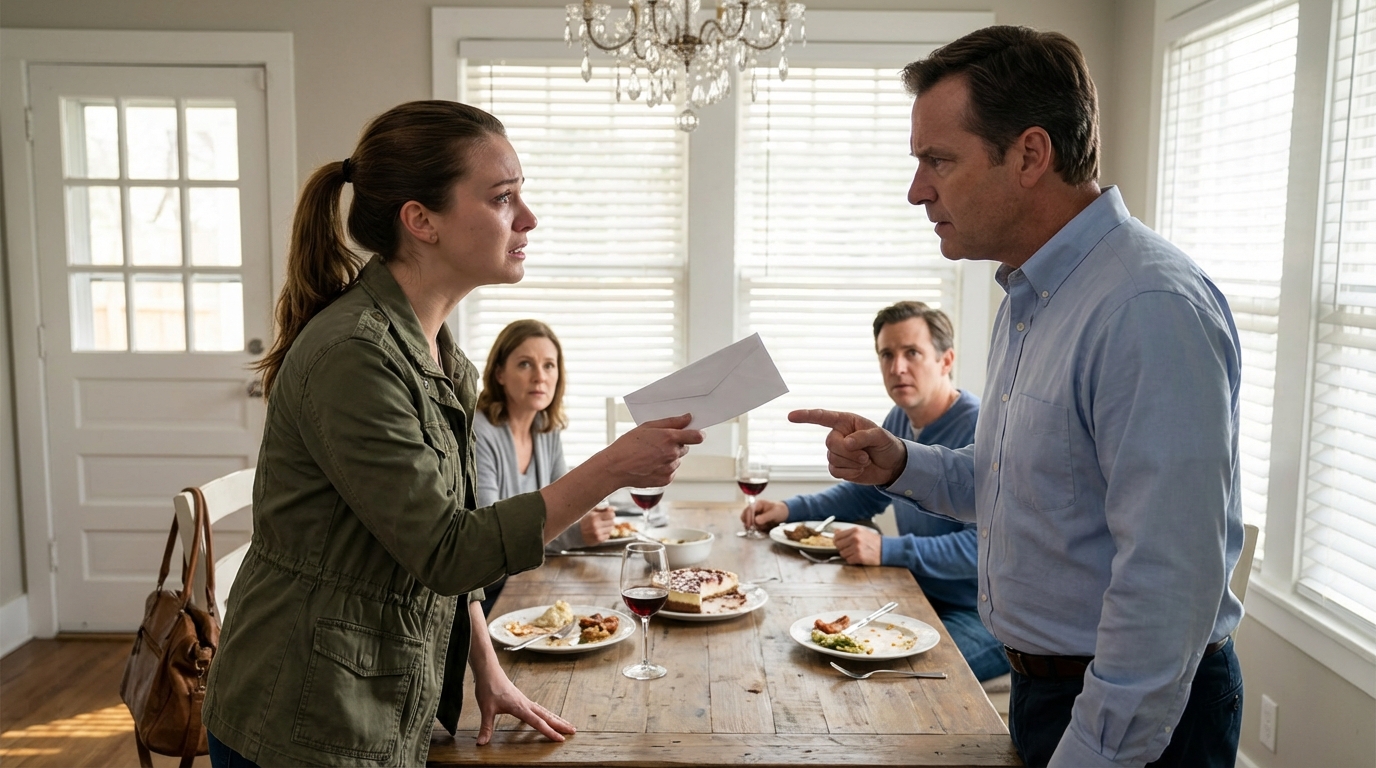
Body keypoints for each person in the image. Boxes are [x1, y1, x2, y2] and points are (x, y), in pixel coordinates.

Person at [792, 27, 1245, 768]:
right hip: (1051, 691)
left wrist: (1093, 752)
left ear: (1031, 155)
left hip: (1131, 716)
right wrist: (900, 461)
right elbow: (1014, 485)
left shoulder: (1146, 306)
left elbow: (1168, 582)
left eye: (938, 161)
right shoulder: (1031, 295)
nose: (917, 190)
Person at [201, 101, 702, 768]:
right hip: (305, 716)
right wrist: (613, 467)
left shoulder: (441, 357)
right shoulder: (356, 355)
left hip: (374, 698)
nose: (527, 218)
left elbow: (444, 532)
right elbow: (448, 550)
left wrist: (483, 665)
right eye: (503, 198)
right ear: (421, 220)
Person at [742, 301, 1008, 681]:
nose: (897, 367)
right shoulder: (899, 418)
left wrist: (887, 549)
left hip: (980, 614)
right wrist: (787, 509)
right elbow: (863, 495)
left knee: (886, 675)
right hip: (916, 596)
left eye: (912, 353)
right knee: (812, 647)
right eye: (887, 354)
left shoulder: (983, 428)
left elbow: (983, 548)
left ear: (946, 360)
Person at [473, 318, 618, 614]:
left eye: (549, 365)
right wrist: (577, 534)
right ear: (499, 373)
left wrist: (586, 520)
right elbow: (492, 540)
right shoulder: (479, 431)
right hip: (487, 594)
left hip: (529, 575)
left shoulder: (546, 428)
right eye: (525, 364)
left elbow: (565, 507)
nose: (540, 377)